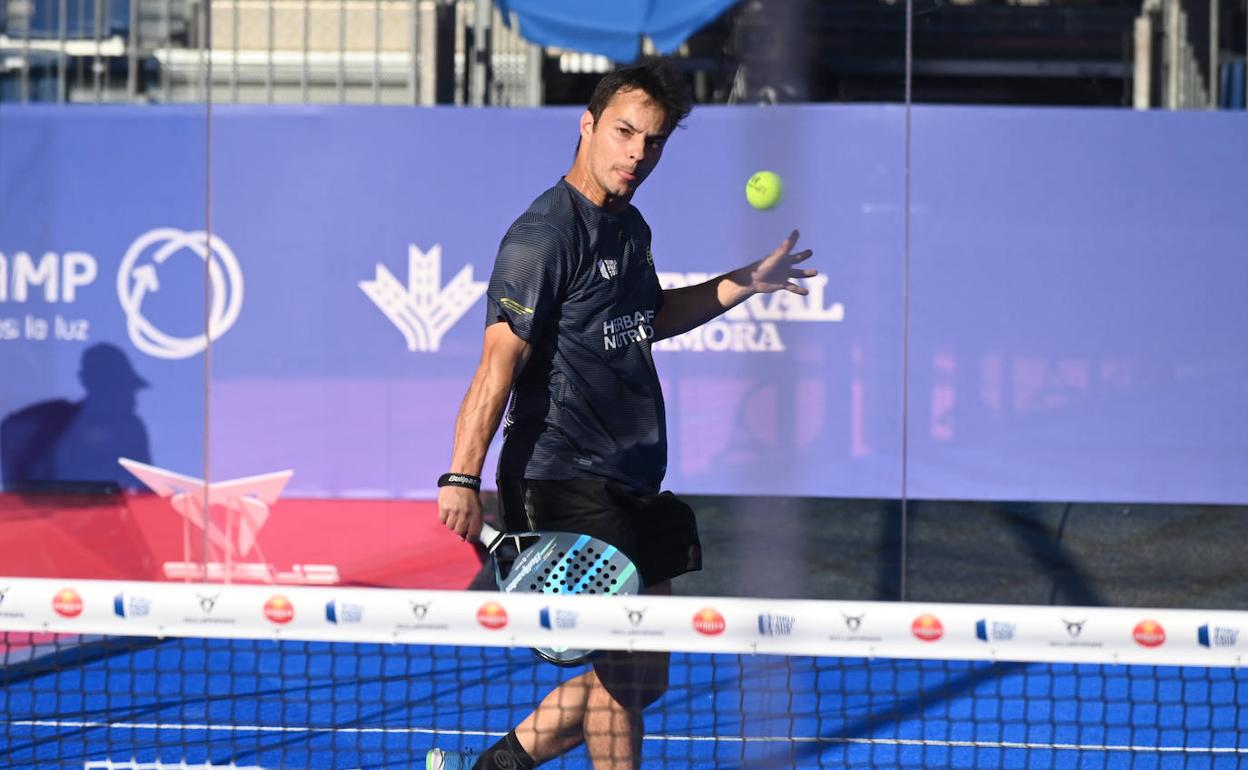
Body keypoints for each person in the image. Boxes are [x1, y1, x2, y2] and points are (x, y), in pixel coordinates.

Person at [431, 57, 816, 770]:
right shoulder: (543, 236)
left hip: (631, 472)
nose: (637, 153)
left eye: (653, 141)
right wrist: (461, 476)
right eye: (624, 132)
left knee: (643, 677)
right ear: (588, 126)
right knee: (621, 669)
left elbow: (652, 316)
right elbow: (496, 364)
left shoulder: (631, 228)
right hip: (562, 473)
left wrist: (743, 284)